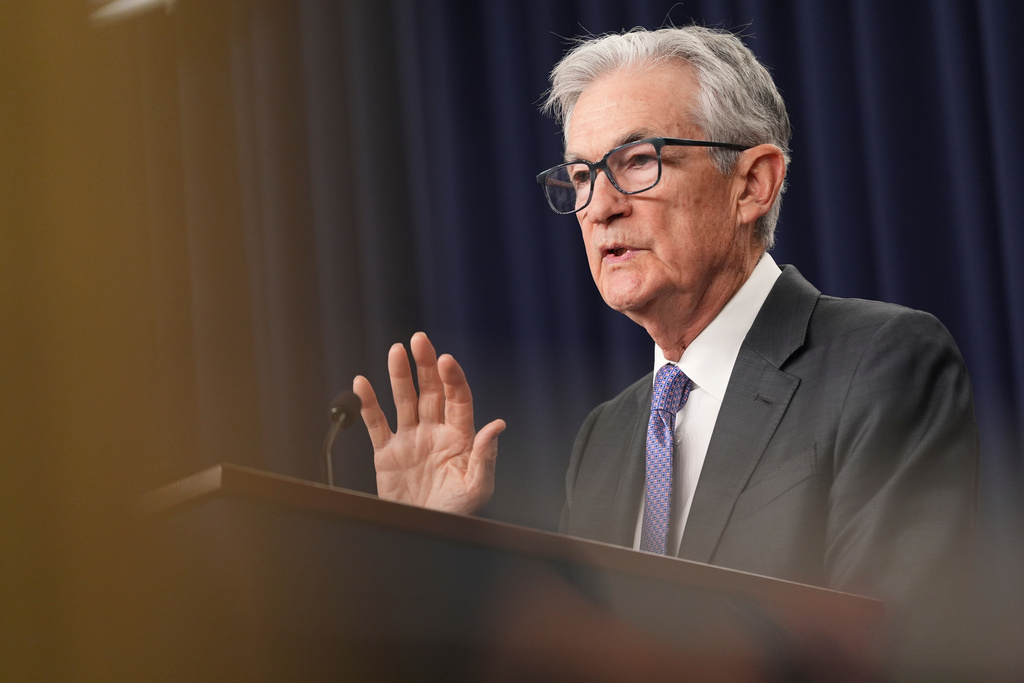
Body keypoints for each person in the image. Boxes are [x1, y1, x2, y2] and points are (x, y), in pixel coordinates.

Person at [352, 26, 977, 614]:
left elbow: (894, 646)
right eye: (580, 177)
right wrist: (434, 545)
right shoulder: (604, 439)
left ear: (753, 183)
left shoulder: (882, 363)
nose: (599, 207)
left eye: (637, 161)